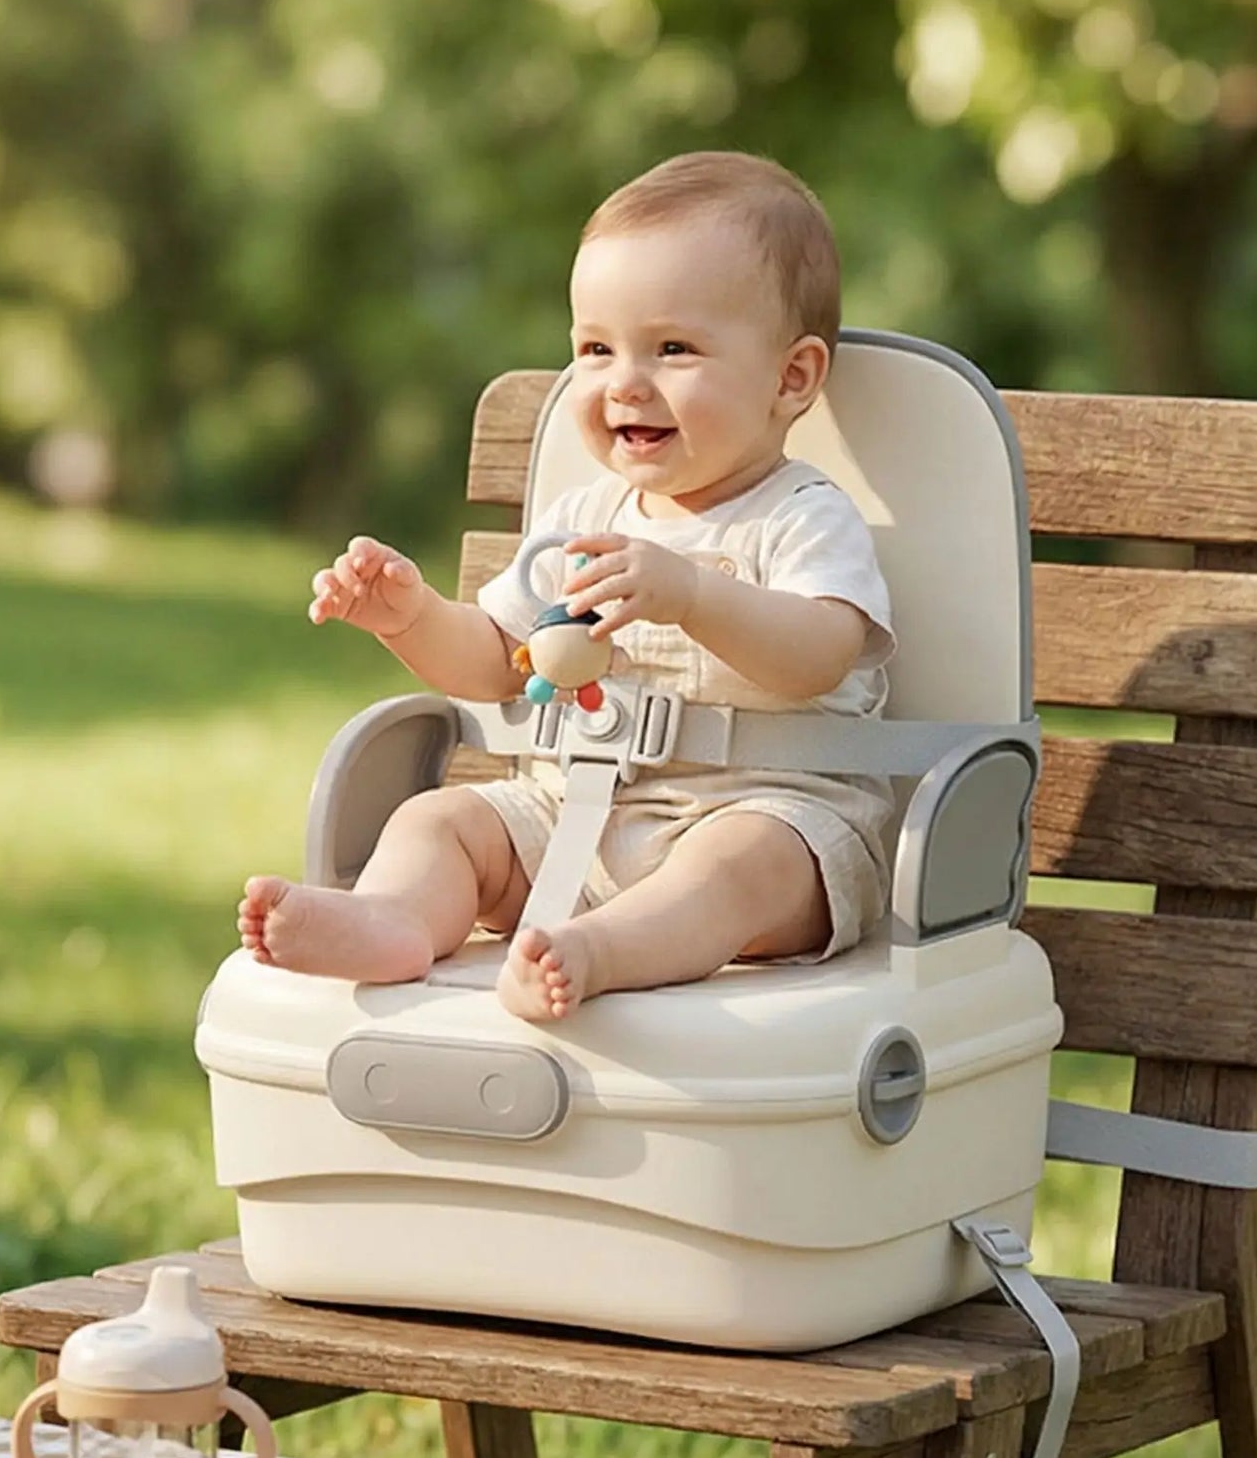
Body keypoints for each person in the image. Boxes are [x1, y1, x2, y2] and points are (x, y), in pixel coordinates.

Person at [239, 150, 897, 1021]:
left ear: (792, 377)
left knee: (733, 868)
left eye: (673, 348)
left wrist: (695, 596)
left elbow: (822, 652)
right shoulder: (587, 513)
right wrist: (411, 617)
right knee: (442, 822)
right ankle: (394, 919)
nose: (624, 380)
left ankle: (605, 951)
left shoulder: (803, 517)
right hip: (574, 818)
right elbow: (498, 663)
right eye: (595, 348)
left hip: (769, 819)